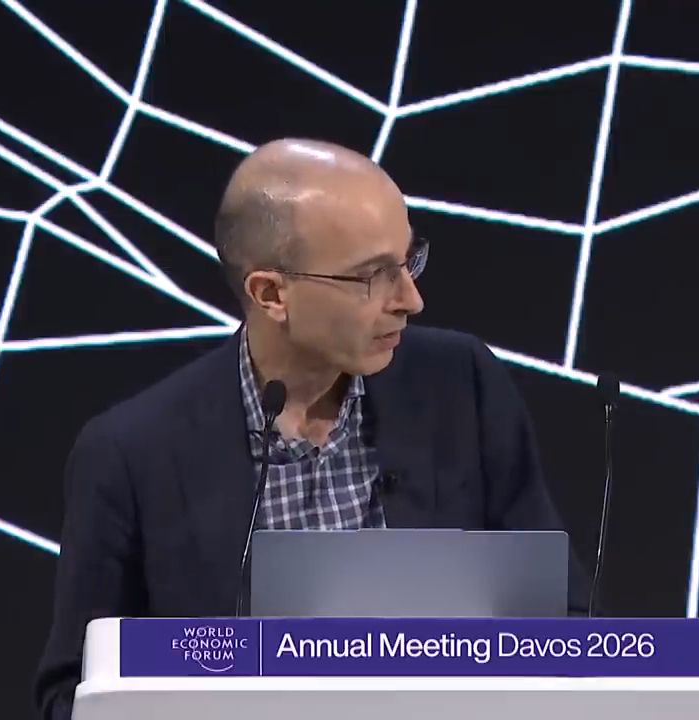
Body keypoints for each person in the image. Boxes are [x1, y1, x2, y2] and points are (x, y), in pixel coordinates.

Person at [33, 138, 586, 719]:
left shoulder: (460, 385)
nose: (411, 299)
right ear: (271, 293)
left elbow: (563, 620)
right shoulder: (131, 456)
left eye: (409, 261)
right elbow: (71, 694)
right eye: (373, 276)